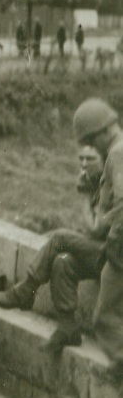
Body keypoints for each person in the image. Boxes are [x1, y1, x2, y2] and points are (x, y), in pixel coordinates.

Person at [0, 142, 106, 341]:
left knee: (60, 237)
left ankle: (26, 291)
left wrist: (85, 195)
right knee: (62, 261)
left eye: (90, 159)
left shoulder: (113, 184)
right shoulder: (97, 184)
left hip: (114, 256)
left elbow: (95, 229)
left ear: (105, 160)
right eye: (81, 159)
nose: (84, 164)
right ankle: (68, 326)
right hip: (100, 254)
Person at [70, 99, 123, 380]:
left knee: (103, 318)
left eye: (92, 139)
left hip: (121, 248)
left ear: (103, 132)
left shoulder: (116, 153)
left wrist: (114, 239)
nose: (93, 147)